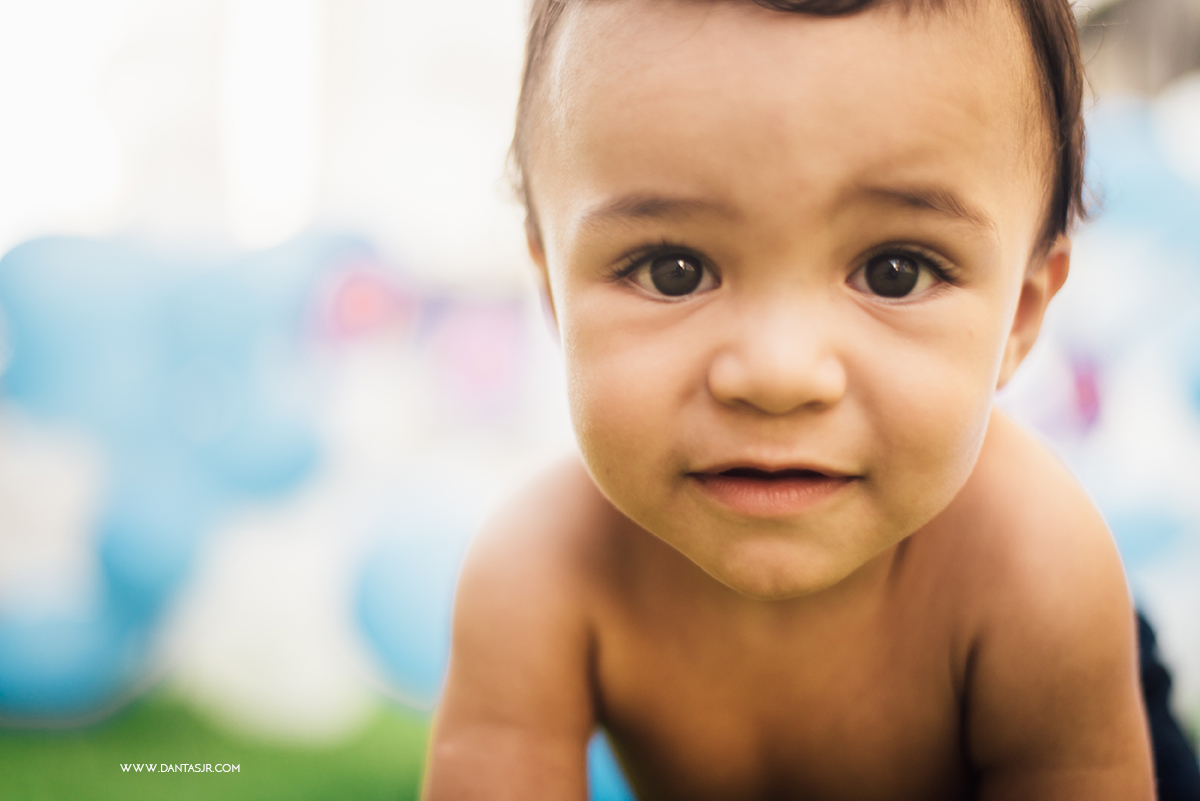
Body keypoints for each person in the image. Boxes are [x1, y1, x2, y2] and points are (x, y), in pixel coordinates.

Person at [423, 0, 1160, 797]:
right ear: (553, 294)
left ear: (1019, 318)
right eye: (672, 269)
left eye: (894, 271)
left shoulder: (1036, 572)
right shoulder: (540, 571)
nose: (778, 374)